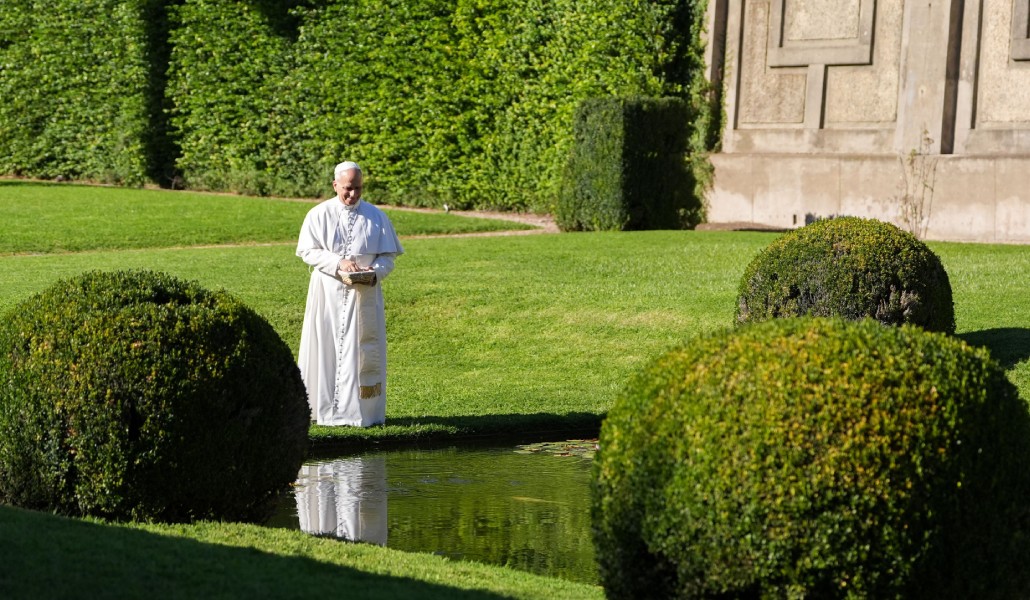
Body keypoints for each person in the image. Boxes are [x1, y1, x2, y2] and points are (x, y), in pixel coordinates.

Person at [296, 161, 404, 426]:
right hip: (328, 296)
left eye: (358, 188)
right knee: (327, 349)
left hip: (363, 297)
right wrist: (338, 262)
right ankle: (323, 412)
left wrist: (374, 272)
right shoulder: (318, 214)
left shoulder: (376, 216)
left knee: (360, 353)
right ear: (335, 185)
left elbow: (388, 256)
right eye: (347, 188)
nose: (353, 194)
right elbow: (308, 251)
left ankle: (361, 414)